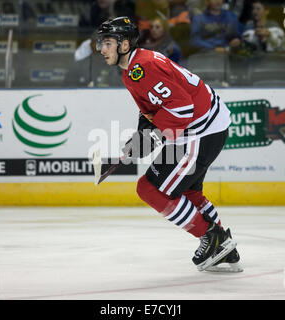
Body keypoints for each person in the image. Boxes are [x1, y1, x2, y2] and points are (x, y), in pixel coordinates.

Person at [95, 16, 241, 272]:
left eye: (108, 43)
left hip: (200, 131)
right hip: (204, 128)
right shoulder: (134, 69)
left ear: (125, 44)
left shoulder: (142, 68)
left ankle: (212, 238)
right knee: (188, 192)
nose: (102, 49)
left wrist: (153, 137)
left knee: (149, 189)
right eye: (101, 43)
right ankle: (225, 248)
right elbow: (152, 109)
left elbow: (182, 107)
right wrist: (142, 135)